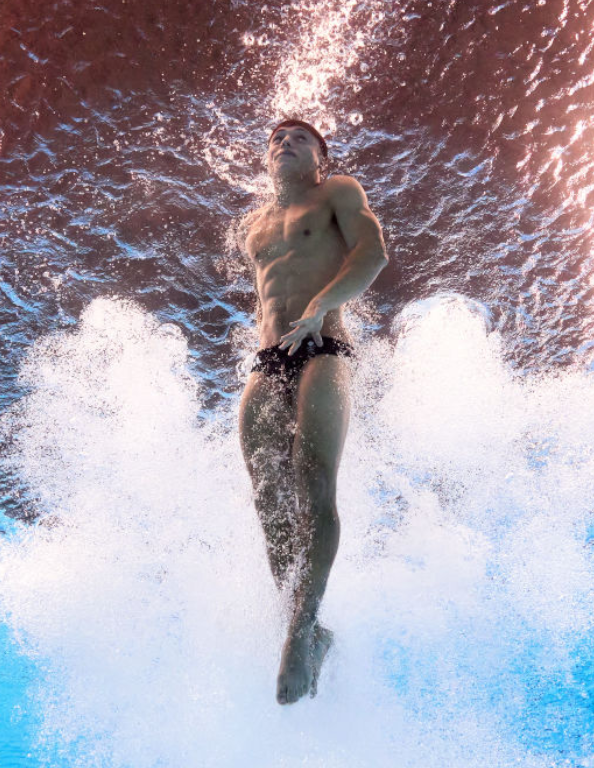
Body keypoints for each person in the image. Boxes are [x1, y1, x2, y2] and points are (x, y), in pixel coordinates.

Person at [238, 119, 388, 704]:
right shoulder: (254, 227)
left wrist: (321, 307)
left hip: (324, 346)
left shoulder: (338, 193)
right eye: (276, 139)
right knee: (267, 493)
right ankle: (305, 628)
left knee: (313, 478)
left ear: (320, 156)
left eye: (300, 139)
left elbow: (372, 256)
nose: (284, 144)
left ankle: (300, 632)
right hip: (270, 359)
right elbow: (268, 298)